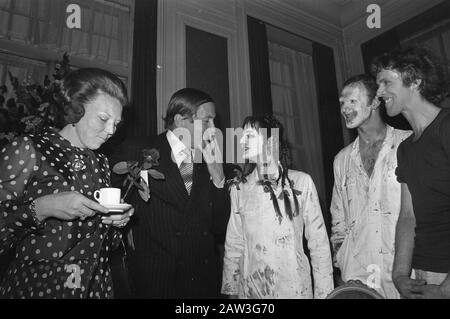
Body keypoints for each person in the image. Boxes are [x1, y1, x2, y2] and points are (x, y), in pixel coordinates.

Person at [0, 68, 134, 298]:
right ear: (75, 109)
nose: (111, 131)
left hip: (96, 288)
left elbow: (102, 245)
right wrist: (42, 208)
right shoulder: (29, 149)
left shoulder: (100, 161)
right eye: (103, 119)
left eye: (116, 123)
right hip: (39, 288)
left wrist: (116, 222)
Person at [127, 88, 229, 298]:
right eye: (207, 120)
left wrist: (218, 178)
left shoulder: (211, 159)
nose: (213, 128)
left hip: (203, 282)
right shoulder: (138, 151)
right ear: (181, 120)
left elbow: (219, 226)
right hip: (157, 281)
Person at [221, 115, 333, 299]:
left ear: (270, 140)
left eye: (249, 135)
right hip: (251, 291)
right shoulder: (239, 188)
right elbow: (233, 244)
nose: (241, 140)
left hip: (295, 288)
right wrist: (231, 290)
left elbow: (319, 245)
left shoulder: (301, 183)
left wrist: (324, 294)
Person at [371, 46, 450, 299]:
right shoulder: (405, 149)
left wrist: (446, 288)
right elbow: (408, 216)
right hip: (421, 273)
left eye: (386, 82)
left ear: (415, 80)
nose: (379, 92)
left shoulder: (447, 127)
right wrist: (400, 276)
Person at [330, 74, 411, 299]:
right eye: (341, 103)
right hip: (357, 275)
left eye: (352, 101)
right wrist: (343, 261)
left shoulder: (408, 144)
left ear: (375, 102)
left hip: (404, 272)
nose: (345, 108)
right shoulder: (341, 160)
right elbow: (338, 221)